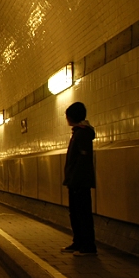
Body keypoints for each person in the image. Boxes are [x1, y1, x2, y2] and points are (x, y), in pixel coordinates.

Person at [61, 102, 97, 255]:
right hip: (75, 181)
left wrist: (74, 178)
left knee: (82, 214)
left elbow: (82, 160)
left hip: (79, 182)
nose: (66, 118)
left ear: (72, 116)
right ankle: (78, 242)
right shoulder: (78, 132)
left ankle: (88, 247)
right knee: (75, 214)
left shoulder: (82, 134)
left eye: (67, 115)